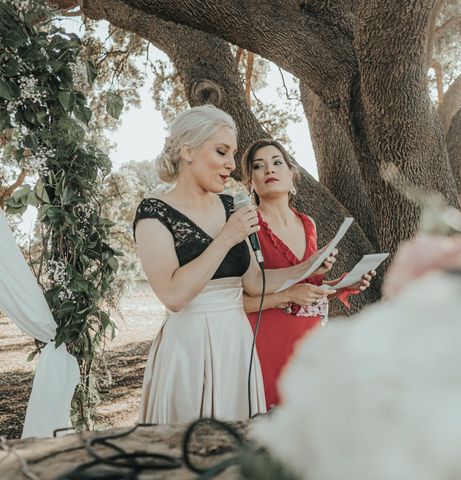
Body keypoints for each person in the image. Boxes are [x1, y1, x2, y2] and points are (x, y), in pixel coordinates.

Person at [133, 107, 336, 423]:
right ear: (188, 151)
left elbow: (255, 282)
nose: (231, 164)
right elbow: (173, 295)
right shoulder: (154, 212)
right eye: (221, 152)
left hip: (238, 343)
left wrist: (308, 267)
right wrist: (226, 238)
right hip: (190, 344)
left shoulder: (232, 207)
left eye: (233, 154)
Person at [241, 138, 374, 409]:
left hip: (310, 341)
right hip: (266, 339)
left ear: (292, 174)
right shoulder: (247, 225)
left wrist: (343, 284)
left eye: (277, 163)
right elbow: (240, 297)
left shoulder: (308, 224)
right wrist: (290, 294)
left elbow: (310, 289)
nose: (269, 170)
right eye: (259, 166)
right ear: (250, 181)